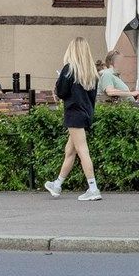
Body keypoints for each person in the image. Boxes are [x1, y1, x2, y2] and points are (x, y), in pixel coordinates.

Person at [45, 37, 101, 201]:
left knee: (82, 150)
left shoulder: (68, 69)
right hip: (86, 113)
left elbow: (61, 93)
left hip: (73, 113)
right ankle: (57, 184)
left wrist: (57, 83)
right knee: (70, 151)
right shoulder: (92, 73)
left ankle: (93, 187)